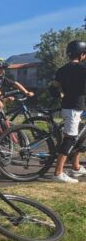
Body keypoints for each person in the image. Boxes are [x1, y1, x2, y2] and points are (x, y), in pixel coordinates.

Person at [50, 40, 86, 183]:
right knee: (70, 138)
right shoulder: (82, 69)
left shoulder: (62, 69)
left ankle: (76, 167)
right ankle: (58, 173)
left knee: (80, 134)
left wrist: (61, 94)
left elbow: (53, 88)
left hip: (68, 106)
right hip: (74, 108)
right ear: (82, 54)